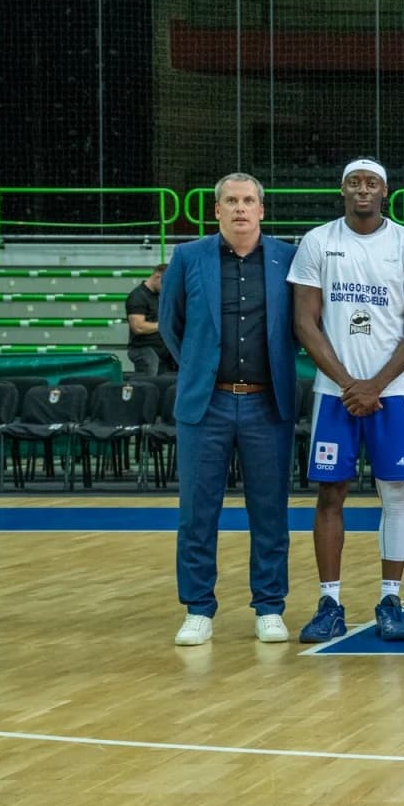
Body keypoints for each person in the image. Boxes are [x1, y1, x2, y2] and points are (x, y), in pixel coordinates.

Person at [289, 159, 404, 643]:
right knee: (330, 493)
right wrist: (349, 383)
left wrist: (375, 384)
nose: (362, 189)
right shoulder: (318, 241)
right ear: (342, 189)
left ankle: (391, 600)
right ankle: (329, 603)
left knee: (394, 493)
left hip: (389, 394)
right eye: (354, 182)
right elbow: (305, 321)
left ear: (385, 191)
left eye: (371, 182)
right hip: (334, 394)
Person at [163, 175, 299, 646]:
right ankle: (198, 608)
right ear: (216, 210)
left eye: (248, 200)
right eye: (231, 201)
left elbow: (301, 324)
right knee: (197, 513)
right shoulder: (188, 257)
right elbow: (171, 325)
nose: (240, 208)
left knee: (270, 511)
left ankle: (270, 606)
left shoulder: (288, 257)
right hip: (208, 402)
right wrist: (200, 368)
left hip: (267, 402)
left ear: (261, 209)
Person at [125, 263, 174, 376]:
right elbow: (138, 327)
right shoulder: (138, 296)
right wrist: (165, 325)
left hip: (162, 350)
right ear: (157, 277)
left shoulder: (159, 296)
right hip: (144, 349)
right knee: (149, 380)